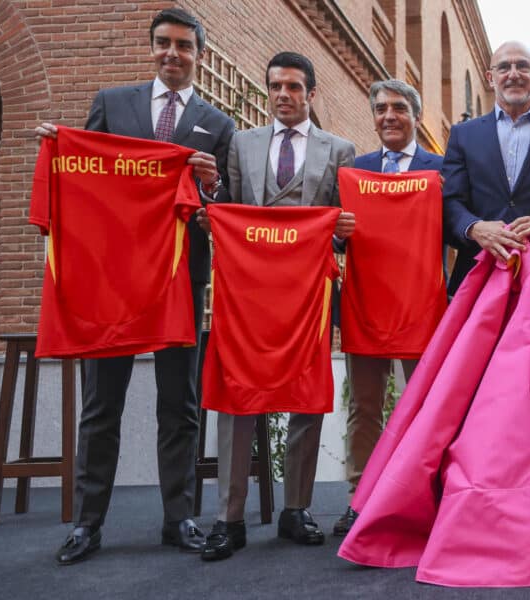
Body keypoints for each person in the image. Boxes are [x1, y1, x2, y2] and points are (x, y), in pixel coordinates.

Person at [35, 7, 234, 565]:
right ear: (151, 48)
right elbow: (81, 176)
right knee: (102, 405)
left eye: (184, 46)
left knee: (181, 404)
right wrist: (57, 148)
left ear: (200, 55)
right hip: (112, 282)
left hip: (178, 278)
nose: (173, 54)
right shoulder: (111, 103)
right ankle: (88, 524)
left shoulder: (216, 124)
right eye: (164, 44)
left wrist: (211, 189)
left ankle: (180, 517)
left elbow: (220, 211)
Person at [198, 51, 356, 561]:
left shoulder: (340, 149)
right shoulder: (242, 144)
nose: (283, 95)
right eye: (275, 87)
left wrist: (341, 235)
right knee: (237, 394)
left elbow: (342, 237)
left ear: (311, 93)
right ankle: (229, 516)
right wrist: (214, 218)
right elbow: (234, 213)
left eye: (293, 87)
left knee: (307, 396)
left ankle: (296, 509)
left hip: (309, 296)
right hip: (249, 295)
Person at [332, 79, 444, 538]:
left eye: (399, 108)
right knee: (365, 408)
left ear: (415, 116)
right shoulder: (354, 170)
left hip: (423, 308)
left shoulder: (441, 169)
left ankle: (429, 496)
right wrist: (337, 231)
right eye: (380, 109)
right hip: (365, 307)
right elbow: (336, 238)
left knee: (429, 409)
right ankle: (362, 500)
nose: (389, 116)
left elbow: (455, 227)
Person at [442, 41, 530, 314]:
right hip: (476, 276)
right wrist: (474, 227)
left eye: (522, 66)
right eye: (504, 67)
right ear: (490, 77)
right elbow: (449, 202)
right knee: (476, 358)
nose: (513, 73)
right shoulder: (463, 134)